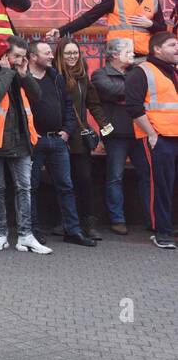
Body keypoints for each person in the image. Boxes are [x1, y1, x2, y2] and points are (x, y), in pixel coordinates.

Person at [0, 36, 47, 253]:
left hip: (21, 140)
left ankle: (25, 235)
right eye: (16, 56)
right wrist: (7, 71)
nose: (20, 61)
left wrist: (24, 76)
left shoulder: (19, 72)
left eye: (23, 57)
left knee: (24, 188)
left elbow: (37, 96)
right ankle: (0, 234)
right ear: (3, 55)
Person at [26, 40, 96, 247]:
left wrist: (66, 130)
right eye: (46, 53)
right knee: (31, 188)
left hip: (57, 140)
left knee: (66, 186)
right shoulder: (23, 79)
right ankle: (33, 231)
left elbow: (69, 105)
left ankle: (72, 231)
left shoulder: (55, 77)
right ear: (32, 56)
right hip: (34, 142)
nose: (51, 56)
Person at [125, 31, 178, 249]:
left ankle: (169, 226)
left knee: (170, 185)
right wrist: (152, 134)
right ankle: (161, 231)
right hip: (159, 138)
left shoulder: (173, 72)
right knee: (160, 186)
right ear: (157, 49)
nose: (177, 48)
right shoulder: (141, 72)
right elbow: (134, 107)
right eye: (172, 45)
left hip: (174, 135)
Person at [54, 37, 107, 241]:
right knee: (62, 182)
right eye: (67, 53)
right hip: (58, 137)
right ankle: (66, 222)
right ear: (60, 55)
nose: (72, 56)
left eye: (75, 52)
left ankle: (88, 223)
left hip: (79, 139)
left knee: (84, 180)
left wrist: (108, 131)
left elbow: (95, 105)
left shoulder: (83, 77)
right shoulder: (53, 75)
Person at [91, 37, 144, 236]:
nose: (133, 54)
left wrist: (128, 95)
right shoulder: (99, 74)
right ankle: (117, 219)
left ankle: (150, 217)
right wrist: (135, 92)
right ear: (114, 54)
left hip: (139, 131)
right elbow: (111, 90)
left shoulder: (136, 72)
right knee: (115, 177)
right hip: (113, 133)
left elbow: (130, 93)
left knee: (147, 175)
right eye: (128, 51)